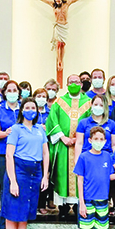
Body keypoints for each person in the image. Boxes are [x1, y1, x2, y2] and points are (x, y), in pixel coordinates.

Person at [2, 98, 50, 229]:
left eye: (33, 107)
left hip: (35, 171)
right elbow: (9, 155)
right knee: (12, 211)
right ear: (22, 110)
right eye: (27, 107)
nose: (31, 110)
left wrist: (45, 175)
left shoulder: (39, 129)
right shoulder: (16, 129)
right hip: (19, 170)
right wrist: (13, 181)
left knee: (25, 212)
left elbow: (45, 153)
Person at [45, 74, 92, 216]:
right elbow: (52, 121)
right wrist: (63, 137)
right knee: (61, 174)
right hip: (63, 146)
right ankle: (63, 208)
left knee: (81, 174)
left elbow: (91, 123)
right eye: (71, 82)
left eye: (76, 82)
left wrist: (78, 138)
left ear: (81, 84)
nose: (74, 84)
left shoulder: (89, 102)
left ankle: (79, 205)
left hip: (82, 146)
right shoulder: (59, 102)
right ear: (66, 84)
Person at [74, 127, 114, 229]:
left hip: (102, 200)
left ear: (105, 141)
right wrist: (82, 203)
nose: (98, 142)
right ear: (90, 140)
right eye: (95, 139)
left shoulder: (107, 157)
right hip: (88, 200)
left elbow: (110, 176)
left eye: (101, 139)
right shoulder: (84, 157)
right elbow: (80, 179)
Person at [28, 0, 92, 72]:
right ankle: (59, 61)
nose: (57, 2)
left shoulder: (67, 4)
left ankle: (62, 59)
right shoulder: (52, 5)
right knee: (58, 44)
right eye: (56, 1)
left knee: (63, 44)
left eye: (59, 0)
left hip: (64, 26)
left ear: (62, 0)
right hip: (58, 25)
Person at [0, 80, 21, 229]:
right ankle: (4, 224)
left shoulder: (23, 107)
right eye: (9, 90)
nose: (12, 92)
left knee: (20, 189)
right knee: (6, 188)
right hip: (3, 154)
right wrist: (10, 132)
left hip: (21, 155)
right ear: (4, 92)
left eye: (14, 89)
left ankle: (18, 223)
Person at [74, 95, 115, 162]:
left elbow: (114, 145)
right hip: (87, 158)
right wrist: (77, 161)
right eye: (95, 104)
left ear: (105, 107)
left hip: (107, 158)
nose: (98, 107)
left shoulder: (112, 124)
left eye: (101, 105)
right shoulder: (83, 123)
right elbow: (79, 144)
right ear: (91, 105)